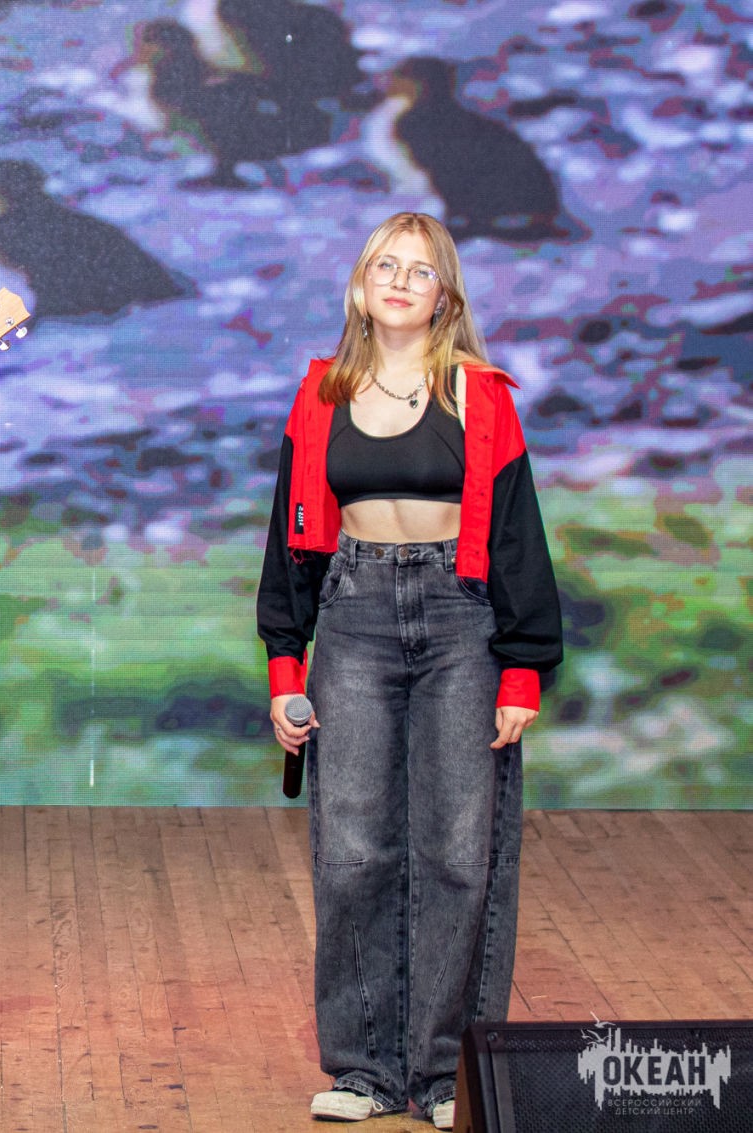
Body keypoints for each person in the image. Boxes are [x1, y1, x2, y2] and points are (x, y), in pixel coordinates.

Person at [256, 212, 563, 1128]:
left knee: (458, 855)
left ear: (444, 297)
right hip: (352, 618)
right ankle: (364, 1070)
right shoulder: (321, 393)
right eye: (384, 265)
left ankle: (442, 1072)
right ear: (360, 286)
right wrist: (285, 665)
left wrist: (522, 671)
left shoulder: (481, 395)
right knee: (352, 851)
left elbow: (518, 539)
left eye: (419, 271)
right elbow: (289, 542)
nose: (398, 280)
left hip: (461, 621)